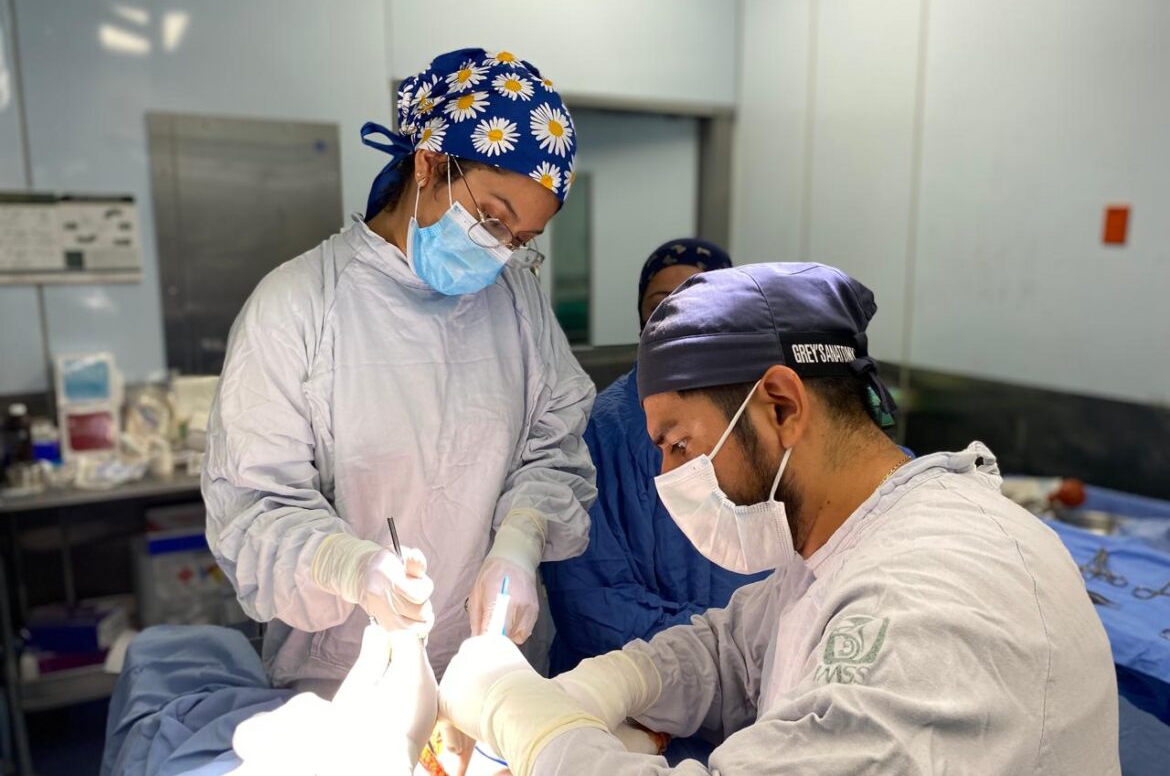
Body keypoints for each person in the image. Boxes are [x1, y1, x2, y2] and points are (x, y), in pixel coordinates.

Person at [438, 262, 1120, 774]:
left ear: (783, 406)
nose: (669, 478)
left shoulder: (930, 607)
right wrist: (606, 686)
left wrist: (531, 726)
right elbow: (735, 651)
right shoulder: (840, 546)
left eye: (681, 445)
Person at [202, 46, 596, 711]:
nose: (500, 250)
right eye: (492, 218)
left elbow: (554, 448)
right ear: (429, 163)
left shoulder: (517, 303)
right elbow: (254, 508)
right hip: (344, 680)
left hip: (494, 672)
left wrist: (522, 538)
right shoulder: (298, 305)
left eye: (521, 239)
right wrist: (351, 567)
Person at [542, 239, 768, 678]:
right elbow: (590, 599)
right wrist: (721, 649)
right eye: (661, 303)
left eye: (697, 298)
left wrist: (754, 650)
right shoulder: (602, 430)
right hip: (628, 684)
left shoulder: (760, 419)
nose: (678, 315)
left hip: (755, 681)